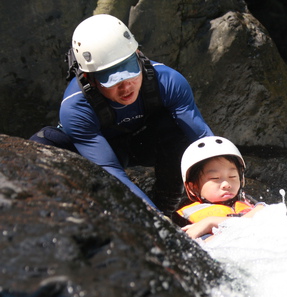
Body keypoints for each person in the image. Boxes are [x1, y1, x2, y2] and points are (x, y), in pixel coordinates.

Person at [30, 14, 214, 215]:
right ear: (89, 79)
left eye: (130, 71)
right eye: (112, 80)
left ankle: (167, 201)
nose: (126, 86)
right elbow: (109, 169)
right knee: (42, 144)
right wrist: (155, 219)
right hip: (96, 154)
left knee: (176, 128)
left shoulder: (168, 81)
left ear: (139, 55)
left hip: (142, 145)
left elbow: (202, 138)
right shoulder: (75, 107)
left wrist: (228, 177)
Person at [174, 136, 266, 240]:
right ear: (193, 187)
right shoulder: (183, 220)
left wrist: (211, 222)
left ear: (241, 179)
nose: (226, 184)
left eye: (232, 176)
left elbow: (269, 213)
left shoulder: (248, 201)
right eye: (215, 178)